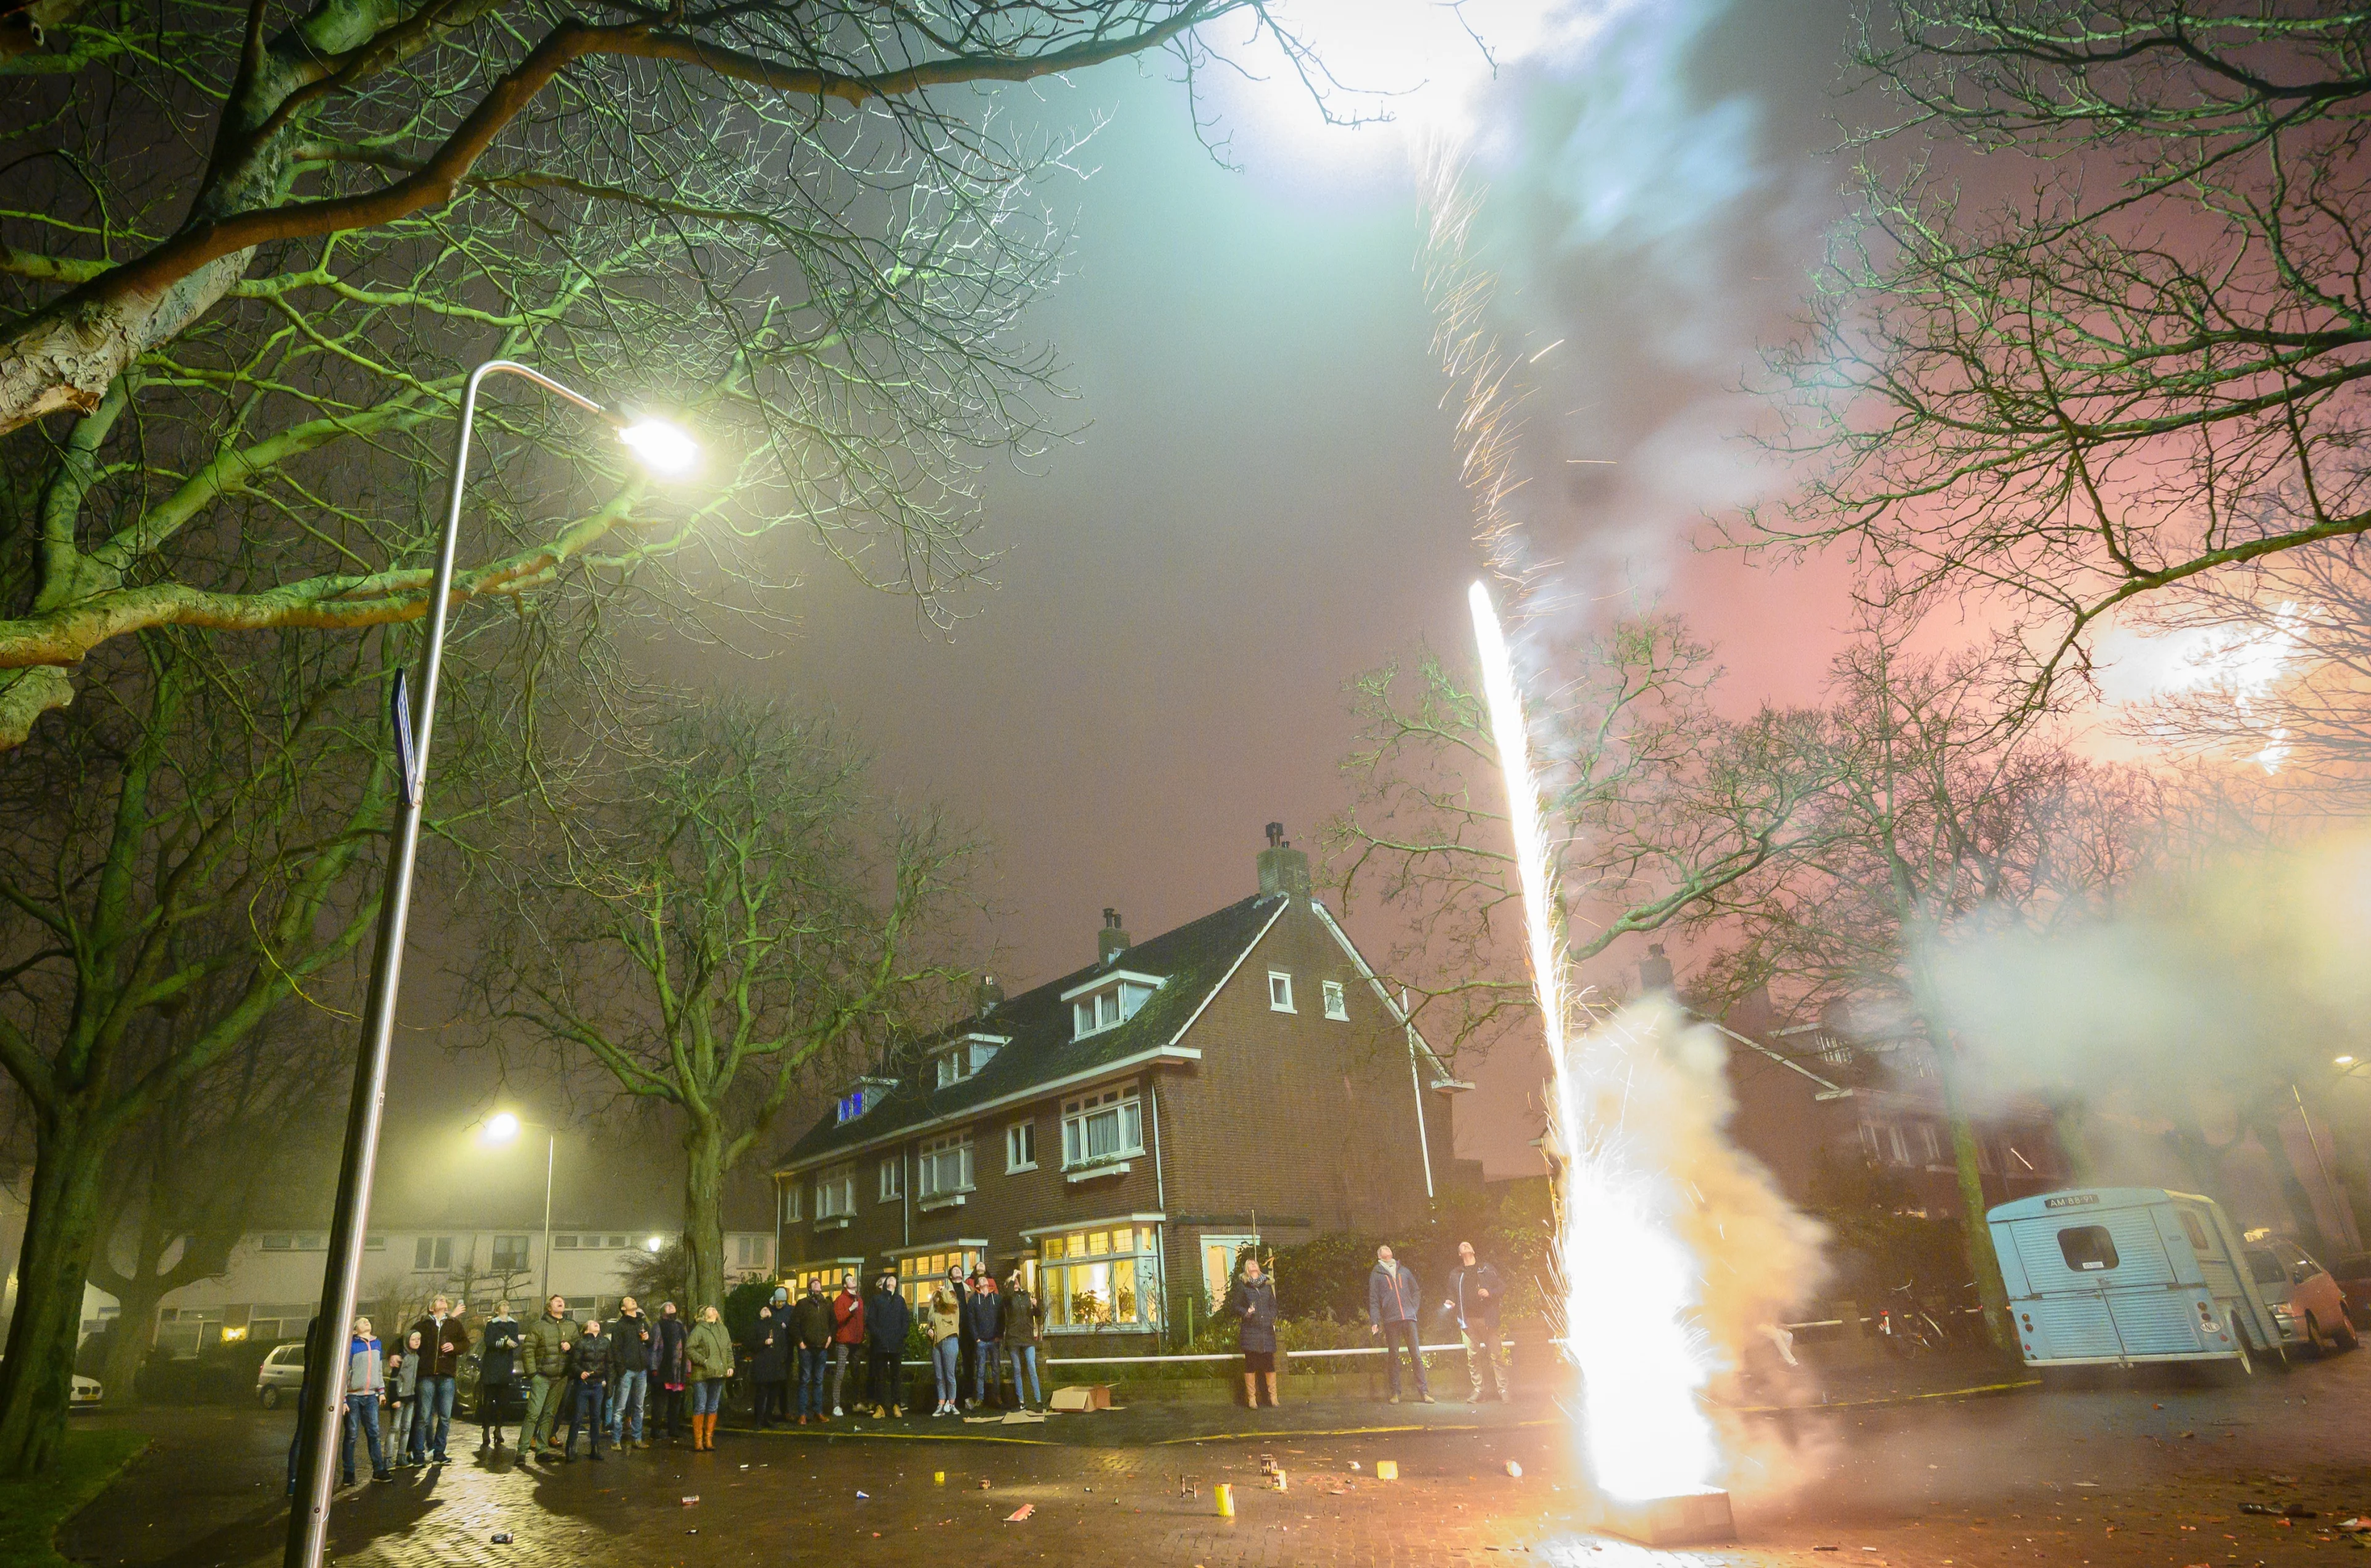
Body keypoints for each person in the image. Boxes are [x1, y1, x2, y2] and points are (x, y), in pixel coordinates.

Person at [1443, 1240, 1508, 1403]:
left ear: (1473, 1250)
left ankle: (1504, 1390)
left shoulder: (1486, 1269)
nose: (1465, 1245)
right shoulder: (1456, 1274)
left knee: (1497, 1355)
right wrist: (1450, 1301)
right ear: (1459, 1254)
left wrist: (1490, 1292)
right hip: (1467, 1321)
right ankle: (1479, 1390)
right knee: (1473, 1357)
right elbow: (1451, 1294)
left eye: (1468, 1244)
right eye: (1462, 1246)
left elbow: (1502, 1287)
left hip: (1488, 1319)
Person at [406, 1295, 469, 1463]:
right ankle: (418, 1455)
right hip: (426, 1375)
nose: (443, 1300)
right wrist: (393, 1355)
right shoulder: (423, 1325)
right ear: (432, 1307)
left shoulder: (454, 1324)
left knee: (445, 1417)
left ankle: (439, 1453)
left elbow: (466, 1343)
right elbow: (405, 1340)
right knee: (423, 1416)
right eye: (439, 1299)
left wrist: (455, 1347)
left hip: (446, 1375)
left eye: (445, 1300)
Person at [1368, 1244, 1432, 1404]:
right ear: (1379, 1255)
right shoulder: (1376, 1274)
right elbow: (1374, 1299)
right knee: (1394, 1357)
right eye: (1383, 1249)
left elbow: (1416, 1291)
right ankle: (1395, 1393)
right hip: (1391, 1320)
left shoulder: (1404, 1270)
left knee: (1416, 1356)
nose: (1386, 1250)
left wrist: (1413, 1308)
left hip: (1409, 1318)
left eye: (1388, 1248)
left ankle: (1424, 1392)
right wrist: (1375, 1320)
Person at [521, 1292, 575, 1460]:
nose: (561, 1303)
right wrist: (533, 1374)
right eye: (557, 1301)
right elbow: (528, 1350)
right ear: (549, 1307)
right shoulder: (539, 1326)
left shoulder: (571, 1326)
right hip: (542, 1377)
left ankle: (542, 1450)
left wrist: (571, 1346)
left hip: (561, 1378)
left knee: (550, 1414)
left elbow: (579, 1348)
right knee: (533, 1414)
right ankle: (521, 1452)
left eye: (562, 1301)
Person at [1226, 1253, 1281, 1409]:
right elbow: (1236, 1306)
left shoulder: (1266, 1287)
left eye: (1255, 1263)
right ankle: (1252, 1398)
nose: (1253, 1265)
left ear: (1259, 1268)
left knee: (1269, 1363)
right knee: (1250, 1364)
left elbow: (1273, 1305)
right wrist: (1247, 1313)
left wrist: (1271, 1315)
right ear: (1246, 1270)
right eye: (1249, 1264)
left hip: (1266, 1331)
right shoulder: (1243, 1287)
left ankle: (1273, 1397)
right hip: (1251, 1331)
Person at [343, 1316, 390, 1484]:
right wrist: (343, 1400)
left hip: (371, 1395)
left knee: (374, 1434)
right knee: (352, 1435)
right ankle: (349, 1473)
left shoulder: (377, 1343)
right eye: (361, 1322)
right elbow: (344, 1372)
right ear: (355, 1330)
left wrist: (381, 1391)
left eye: (367, 1320)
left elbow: (378, 1369)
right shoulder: (351, 1346)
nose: (366, 1322)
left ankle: (379, 1470)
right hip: (353, 1395)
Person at [607, 1296, 654, 1449]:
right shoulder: (620, 1326)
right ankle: (616, 1440)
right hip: (627, 1370)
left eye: (634, 1299)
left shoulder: (642, 1322)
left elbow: (650, 1343)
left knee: (639, 1407)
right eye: (629, 1300)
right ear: (623, 1308)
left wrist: (648, 1339)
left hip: (641, 1370)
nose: (633, 1300)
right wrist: (621, 1369)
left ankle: (637, 1438)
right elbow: (616, 1349)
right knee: (620, 1407)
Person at [685, 1304, 734, 1451]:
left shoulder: (723, 1330)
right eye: (710, 1309)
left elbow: (728, 1349)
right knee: (700, 1405)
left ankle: (708, 1439)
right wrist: (703, 1361)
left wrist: (730, 1366)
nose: (714, 1310)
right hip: (702, 1373)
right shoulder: (699, 1329)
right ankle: (698, 1441)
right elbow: (689, 1348)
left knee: (713, 1406)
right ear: (704, 1316)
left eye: (715, 1309)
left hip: (718, 1372)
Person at [477, 1301, 522, 1451]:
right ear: (497, 1310)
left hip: (505, 1366)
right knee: (488, 1401)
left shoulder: (513, 1324)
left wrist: (510, 1342)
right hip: (491, 1366)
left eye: (507, 1305)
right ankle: (486, 1429)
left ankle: (498, 1428)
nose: (506, 1307)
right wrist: (504, 1342)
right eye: (503, 1305)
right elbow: (489, 1342)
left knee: (503, 1402)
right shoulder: (492, 1324)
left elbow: (515, 1342)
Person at [864, 1273, 911, 1417]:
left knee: (896, 1376)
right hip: (880, 1345)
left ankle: (896, 1405)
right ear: (885, 1284)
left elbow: (906, 1321)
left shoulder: (900, 1300)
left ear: (897, 1285)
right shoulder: (877, 1299)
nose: (892, 1279)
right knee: (880, 1376)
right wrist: (879, 1337)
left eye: (894, 1279)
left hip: (896, 1345)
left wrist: (901, 1336)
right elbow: (871, 1321)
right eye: (889, 1279)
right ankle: (880, 1407)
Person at [562, 1317, 609, 1461]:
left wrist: (606, 1379)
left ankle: (595, 1449)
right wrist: (580, 1372)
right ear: (586, 1329)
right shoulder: (581, 1343)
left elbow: (609, 1363)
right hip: (583, 1385)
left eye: (597, 1322)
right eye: (591, 1323)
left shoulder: (605, 1342)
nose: (596, 1323)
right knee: (577, 1417)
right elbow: (574, 1363)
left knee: (596, 1418)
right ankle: (570, 1448)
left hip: (598, 1384)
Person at [790, 1278, 833, 1425]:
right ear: (809, 1288)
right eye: (814, 1283)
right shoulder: (803, 1304)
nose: (817, 1285)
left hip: (821, 1348)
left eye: (818, 1283)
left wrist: (829, 1337)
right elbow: (794, 1324)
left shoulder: (826, 1304)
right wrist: (800, 1342)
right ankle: (802, 1413)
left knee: (819, 1381)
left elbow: (833, 1322)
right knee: (804, 1379)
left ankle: (818, 1411)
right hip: (807, 1348)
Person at [999, 1272, 1043, 1412]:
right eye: (1013, 1281)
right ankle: (1021, 1401)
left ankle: (1038, 1400)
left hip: (1027, 1336)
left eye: (1017, 1280)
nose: (1016, 1281)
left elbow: (1037, 1314)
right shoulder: (1008, 1298)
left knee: (1031, 1366)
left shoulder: (1026, 1296)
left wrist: (1036, 1306)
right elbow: (1009, 1295)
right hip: (1013, 1336)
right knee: (1017, 1369)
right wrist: (1012, 1277)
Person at [963, 1270, 1004, 1410]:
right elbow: (971, 1320)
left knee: (996, 1370)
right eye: (981, 1280)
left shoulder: (997, 1299)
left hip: (994, 1340)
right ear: (977, 1285)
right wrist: (977, 1338)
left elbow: (1001, 1318)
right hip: (981, 1341)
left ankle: (997, 1397)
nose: (984, 1281)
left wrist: (999, 1334)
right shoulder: (974, 1301)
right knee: (980, 1371)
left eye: (985, 1279)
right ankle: (980, 1398)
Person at [750, 1288, 790, 1428]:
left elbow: (783, 1343)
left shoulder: (776, 1325)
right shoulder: (756, 1325)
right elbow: (750, 1343)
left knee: (774, 1393)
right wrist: (763, 1343)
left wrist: (782, 1358)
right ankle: (758, 1420)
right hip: (763, 1363)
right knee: (761, 1394)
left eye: (768, 1309)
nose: (766, 1310)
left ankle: (767, 1417)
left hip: (775, 1363)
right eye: (764, 1309)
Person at [827, 1274, 865, 1417]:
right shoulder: (841, 1300)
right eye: (849, 1280)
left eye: (853, 1278)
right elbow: (837, 1318)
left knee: (856, 1373)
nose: (853, 1280)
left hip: (856, 1342)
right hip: (843, 1342)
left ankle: (857, 1403)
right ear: (844, 1285)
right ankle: (836, 1405)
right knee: (840, 1373)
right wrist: (850, 1310)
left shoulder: (859, 1299)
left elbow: (862, 1319)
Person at [654, 1300, 690, 1443]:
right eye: (667, 1306)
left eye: (672, 1305)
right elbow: (655, 1349)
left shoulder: (681, 1326)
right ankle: (655, 1430)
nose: (671, 1307)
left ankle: (673, 1428)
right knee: (660, 1402)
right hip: (664, 1368)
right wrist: (654, 1368)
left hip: (678, 1369)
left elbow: (686, 1348)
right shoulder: (658, 1326)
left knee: (675, 1402)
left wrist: (687, 1368)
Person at [925, 1283, 961, 1416]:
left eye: (940, 1297)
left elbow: (950, 1301)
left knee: (949, 1375)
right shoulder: (934, 1313)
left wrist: (944, 1291)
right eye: (936, 1298)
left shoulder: (953, 1309)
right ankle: (941, 1403)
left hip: (950, 1340)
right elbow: (929, 1327)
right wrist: (928, 1331)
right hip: (936, 1344)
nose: (938, 1299)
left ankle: (952, 1403)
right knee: (939, 1376)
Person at [389, 1328, 424, 1466]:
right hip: (400, 1398)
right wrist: (394, 1398)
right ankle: (388, 1458)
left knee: (406, 1427)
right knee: (394, 1428)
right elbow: (394, 1379)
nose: (416, 1342)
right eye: (413, 1339)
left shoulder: (417, 1357)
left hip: (411, 1397)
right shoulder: (402, 1357)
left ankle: (401, 1455)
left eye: (418, 1339)